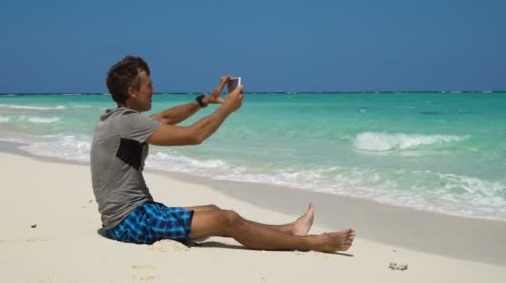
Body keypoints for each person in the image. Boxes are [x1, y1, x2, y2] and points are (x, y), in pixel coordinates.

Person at [90, 55, 355, 252]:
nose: (153, 90)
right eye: (148, 85)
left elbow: (167, 117)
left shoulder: (117, 120)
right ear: (132, 91)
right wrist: (227, 108)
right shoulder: (126, 123)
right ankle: (314, 243)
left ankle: (290, 230)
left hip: (137, 213)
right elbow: (194, 136)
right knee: (226, 219)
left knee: (214, 211)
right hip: (130, 222)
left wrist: (205, 101)